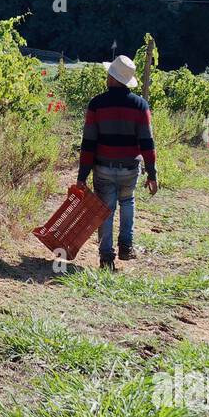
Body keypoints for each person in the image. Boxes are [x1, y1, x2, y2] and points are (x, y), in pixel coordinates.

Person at [76, 54, 159, 268]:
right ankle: (126, 246)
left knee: (105, 209)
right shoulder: (140, 105)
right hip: (130, 168)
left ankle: (106, 257)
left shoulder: (97, 104)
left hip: (103, 167)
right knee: (128, 201)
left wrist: (82, 176)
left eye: (109, 75)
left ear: (113, 78)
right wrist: (152, 173)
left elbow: (89, 143)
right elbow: (147, 142)